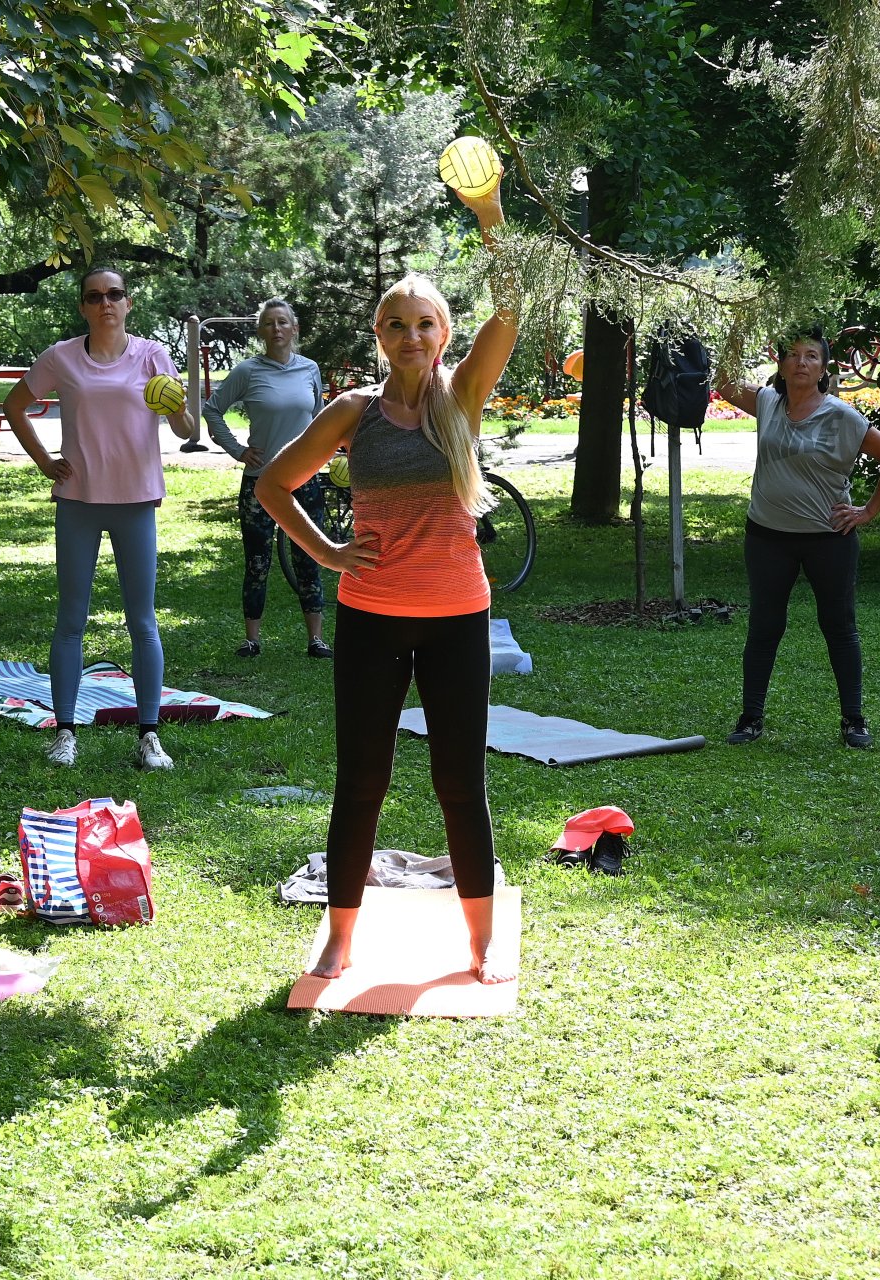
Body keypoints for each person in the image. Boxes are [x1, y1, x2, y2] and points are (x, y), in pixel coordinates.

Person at [258, 181, 518, 984]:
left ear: (444, 334)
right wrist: (328, 552)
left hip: (457, 617)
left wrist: (490, 216)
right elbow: (274, 485)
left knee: (458, 782)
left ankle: (480, 944)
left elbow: (511, 310)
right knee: (362, 780)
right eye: (397, 325)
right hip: (371, 617)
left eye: (425, 323)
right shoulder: (354, 411)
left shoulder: (462, 397)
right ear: (379, 336)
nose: (412, 336)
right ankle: (340, 940)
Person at [0, 267, 197, 770]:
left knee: (142, 621)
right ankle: (65, 732)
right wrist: (44, 461)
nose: (105, 302)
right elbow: (15, 405)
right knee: (71, 619)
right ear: (83, 306)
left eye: (114, 294)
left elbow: (186, 429)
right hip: (79, 501)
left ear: (128, 303)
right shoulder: (62, 357)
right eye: (94, 296)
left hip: (136, 501)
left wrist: (176, 407)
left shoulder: (152, 356)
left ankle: (149, 736)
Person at [715, 331, 880, 749]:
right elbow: (723, 381)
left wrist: (867, 511)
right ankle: (750, 718)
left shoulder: (842, 416)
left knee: (839, 626)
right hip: (767, 537)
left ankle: (854, 720)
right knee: (764, 626)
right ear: (781, 365)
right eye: (792, 355)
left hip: (828, 539)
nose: (801, 362)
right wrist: (739, 326)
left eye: (811, 356)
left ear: (823, 369)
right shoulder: (767, 402)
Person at [202, 298, 333, 659]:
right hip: (260, 482)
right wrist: (237, 450)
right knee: (257, 562)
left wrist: (324, 456)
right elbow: (212, 409)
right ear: (260, 331)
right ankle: (252, 640)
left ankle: (316, 640)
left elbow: (320, 419)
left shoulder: (309, 369)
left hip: (304, 481)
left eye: (283, 322)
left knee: (309, 558)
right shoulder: (248, 371)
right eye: (269, 323)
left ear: (294, 329)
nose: (277, 329)